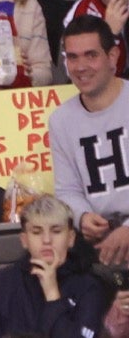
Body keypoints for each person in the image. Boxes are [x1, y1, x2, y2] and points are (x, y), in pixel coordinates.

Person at [0, 193, 105, 338]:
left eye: (56, 231)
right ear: (24, 240)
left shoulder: (88, 288)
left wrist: (53, 296)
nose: (47, 240)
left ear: (71, 238)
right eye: (37, 232)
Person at [51, 15, 129, 264]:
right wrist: (82, 216)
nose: (81, 66)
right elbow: (67, 190)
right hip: (99, 243)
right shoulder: (60, 120)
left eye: (91, 55)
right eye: (72, 57)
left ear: (113, 57)